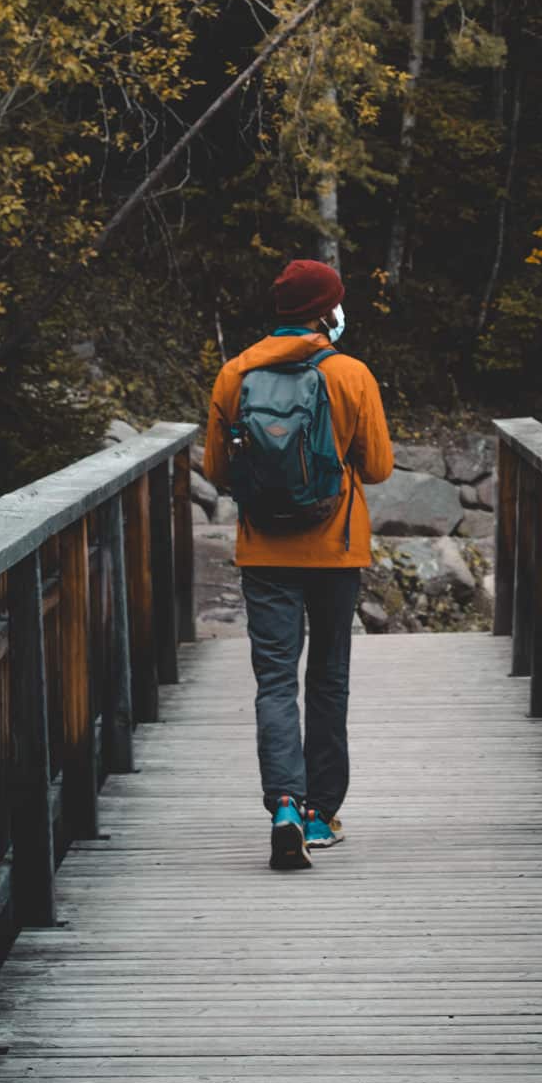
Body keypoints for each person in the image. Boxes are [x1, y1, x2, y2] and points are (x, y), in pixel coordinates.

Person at [203, 256, 395, 870]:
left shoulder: (235, 374)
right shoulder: (350, 373)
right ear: (326, 312)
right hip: (336, 550)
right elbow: (379, 467)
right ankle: (320, 814)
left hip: (264, 549)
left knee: (276, 680)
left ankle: (283, 805)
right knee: (329, 678)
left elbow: (215, 470)